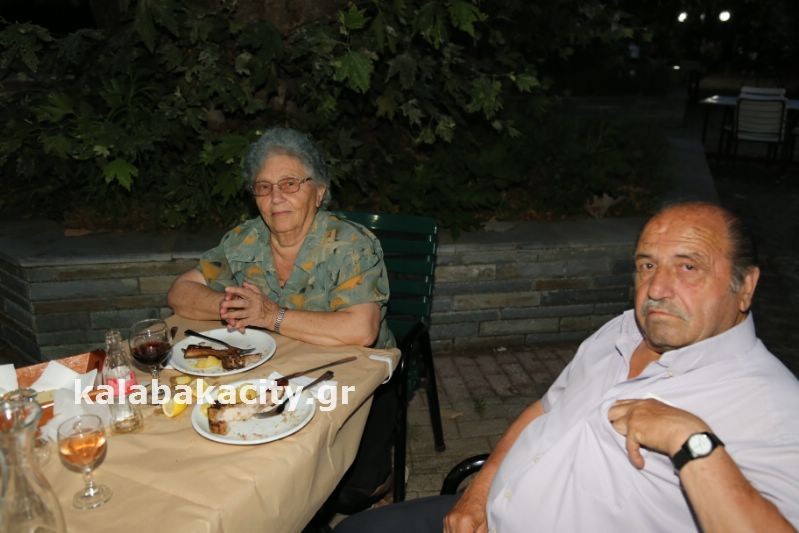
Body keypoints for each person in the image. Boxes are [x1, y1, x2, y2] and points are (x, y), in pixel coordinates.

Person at [335, 202, 799, 532]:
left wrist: (691, 441)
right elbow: (543, 409)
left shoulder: (775, 405)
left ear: (745, 286)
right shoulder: (622, 330)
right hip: (488, 515)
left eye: (688, 268)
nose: (657, 289)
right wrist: (478, 493)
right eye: (646, 266)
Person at [167, 127, 397, 508]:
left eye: (290, 184)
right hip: (273, 375)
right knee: (236, 455)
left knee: (345, 491)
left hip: (353, 379)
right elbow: (180, 292)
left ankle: (383, 479)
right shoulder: (244, 240)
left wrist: (270, 315)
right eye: (264, 187)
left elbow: (361, 329)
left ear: (318, 191)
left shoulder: (350, 245)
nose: (276, 197)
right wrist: (231, 305)